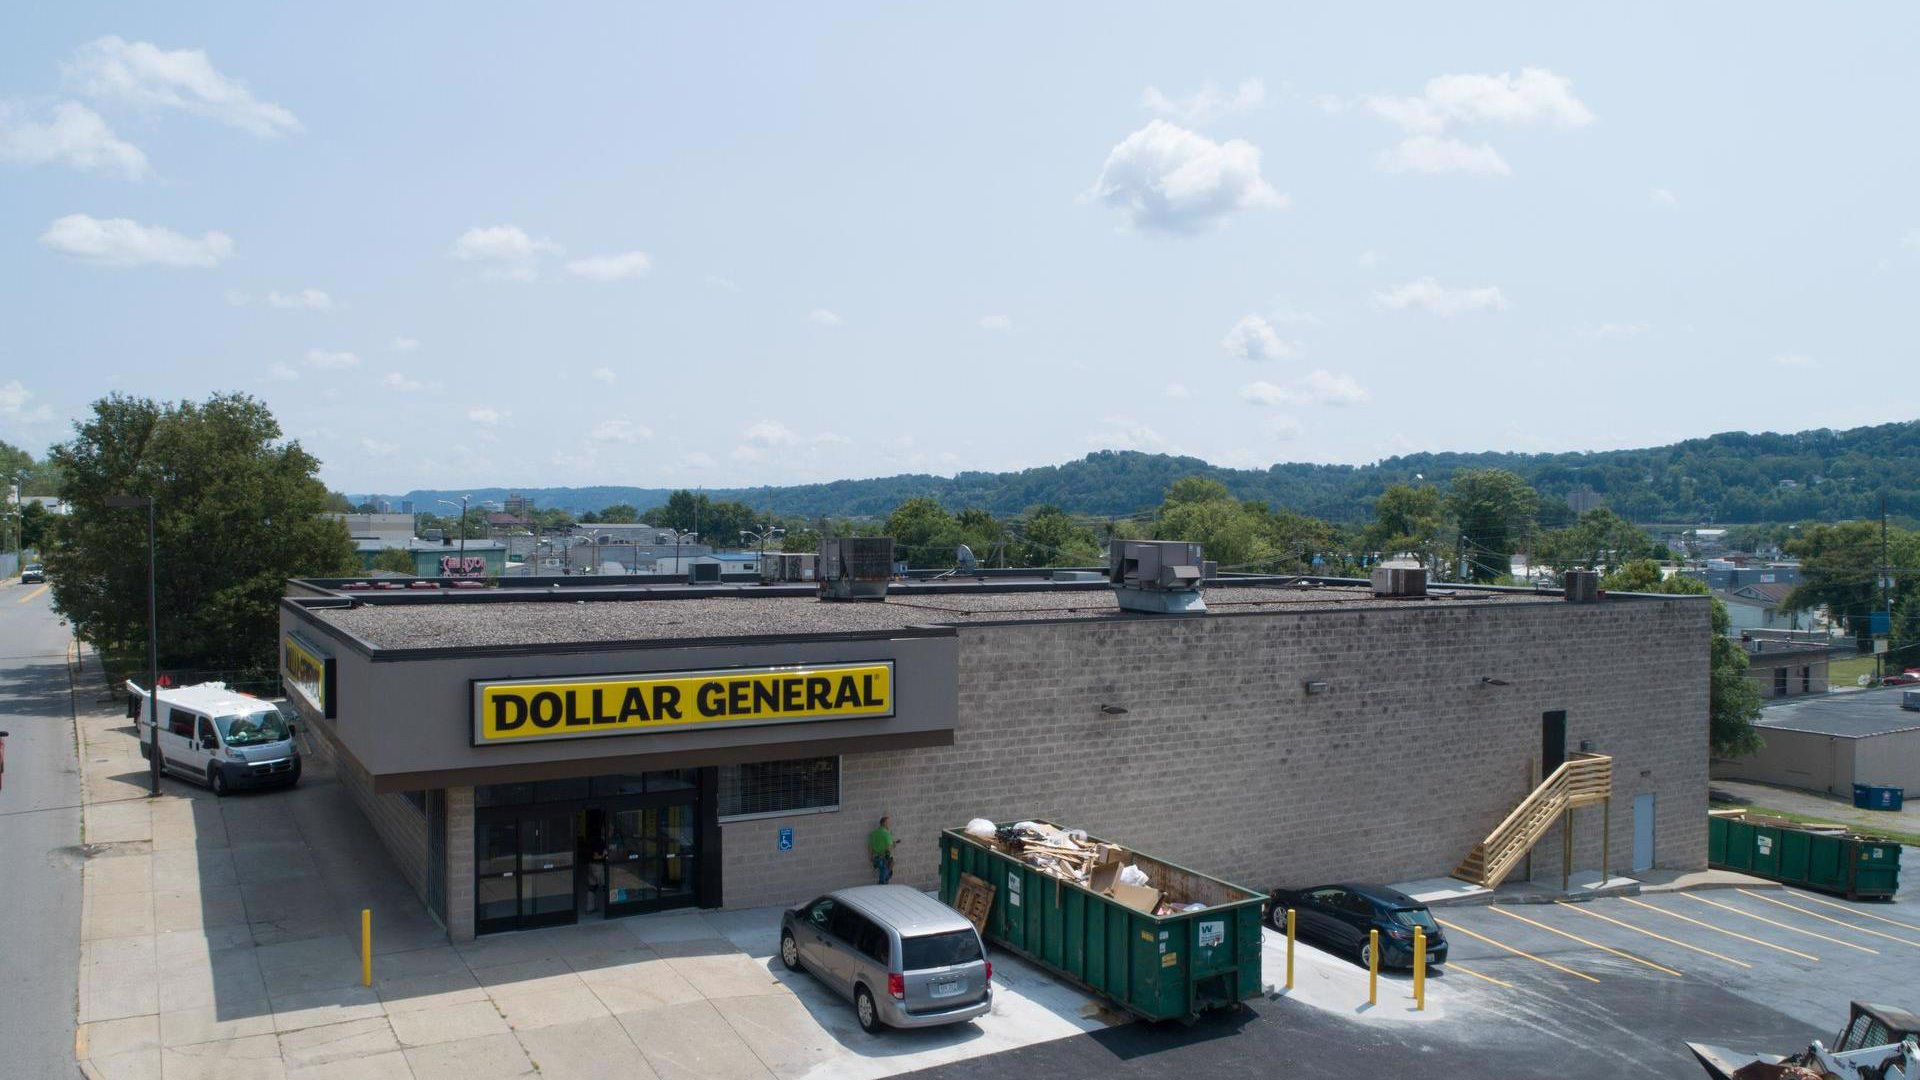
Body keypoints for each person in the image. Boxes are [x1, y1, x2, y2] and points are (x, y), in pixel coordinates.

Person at [868, 815, 899, 884]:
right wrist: (894, 845)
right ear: (884, 823)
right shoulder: (887, 833)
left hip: (876, 858)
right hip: (884, 858)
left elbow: (870, 847)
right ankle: (884, 881)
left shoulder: (873, 833)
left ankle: (885, 878)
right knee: (883, 879)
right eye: (888, 823)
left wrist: (871, 857)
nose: (889, 825)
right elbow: (889, 848)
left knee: (883, 874)